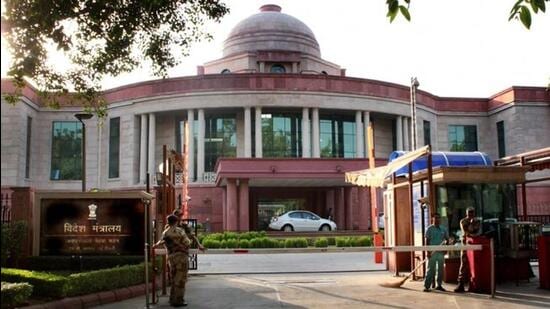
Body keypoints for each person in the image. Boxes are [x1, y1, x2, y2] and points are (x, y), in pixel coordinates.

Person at [154, 215, 191, 307]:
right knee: (181, 280)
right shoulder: (179, 231)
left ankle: (172, 299)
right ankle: (178, 301)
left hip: (171, 258)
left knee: (174, 279)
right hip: (181, 258)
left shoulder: (165, 232)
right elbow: (187, 243)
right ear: (176, 221)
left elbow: (160, 242)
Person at [454, 206, 481, 293]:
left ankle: (473, 284)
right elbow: (467, 232)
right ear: (466, 213)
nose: (471, 214)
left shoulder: (477, 221)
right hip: (465, 244)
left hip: (474, 245)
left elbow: (476, 231)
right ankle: (460, 283)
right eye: (469, 212)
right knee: (464, 263)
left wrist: (473, 225)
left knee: (474, 264)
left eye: (472, 212)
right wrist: (471, 224)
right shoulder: (463, 221)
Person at [423, 213, 449, 292]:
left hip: (441, 252)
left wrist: (446, 250)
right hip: (432, 253)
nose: (437, 219)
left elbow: (447, 240)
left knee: (440, 269)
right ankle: (427, 286)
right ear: (432, 219)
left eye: (439, 218)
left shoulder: (443, 229)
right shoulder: (429, 229)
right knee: (431, 269)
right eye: (436, 218)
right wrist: (428, 251)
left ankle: (439, 285)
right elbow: (427, 241)